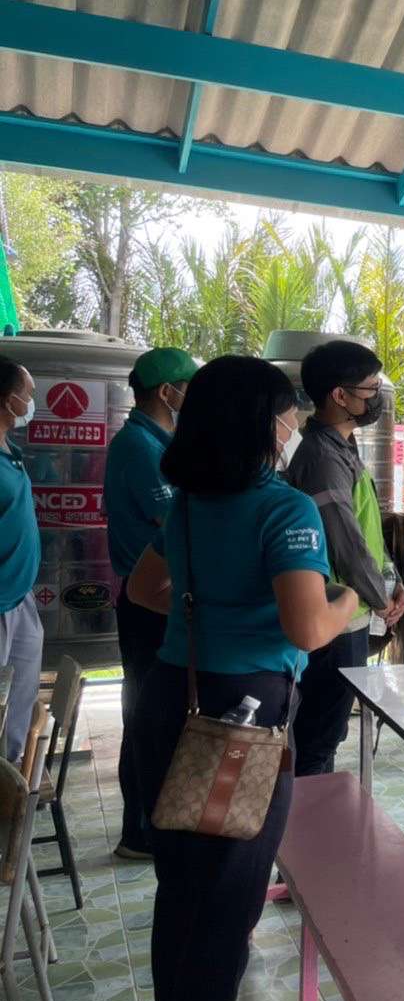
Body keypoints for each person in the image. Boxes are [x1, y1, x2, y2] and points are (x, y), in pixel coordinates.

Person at [126, 355, 356, 1001]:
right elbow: (307, 628)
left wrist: (208, 606)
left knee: (182, 880)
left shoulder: (189, 503)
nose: (293, 424)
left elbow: (143, 590)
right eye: (288, 413)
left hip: (171, 693)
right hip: (244, 717)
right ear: (262, 422)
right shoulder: (284, 507)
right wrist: (349, 600)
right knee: (230, 891)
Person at [285, 340, 404, 777]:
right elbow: (344, 539)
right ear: (340, 395)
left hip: (351, 611)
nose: (377, 398)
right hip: (335, 616)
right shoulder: (321, 457)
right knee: (318, 737)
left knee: (328, 732)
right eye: (370, 389)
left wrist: (392, 580)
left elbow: (366, 529)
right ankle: (309, 816)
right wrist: (380, 598)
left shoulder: (342, 447)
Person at [103, 346, 196, 860]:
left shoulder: (158, 442)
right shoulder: (139, 447)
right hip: (148, 602)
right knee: (147, 715)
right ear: (167, 392)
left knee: (162, 713)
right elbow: (177, 524)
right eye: (189, 389)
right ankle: (139, 831)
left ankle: (155, 821)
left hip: (161, 597)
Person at [0, 357, 40, 763]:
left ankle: (10, 782)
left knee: (18, 705)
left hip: (19, 597)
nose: (30, 403)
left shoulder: (10, 450)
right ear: (7, 399)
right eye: (27, 394)